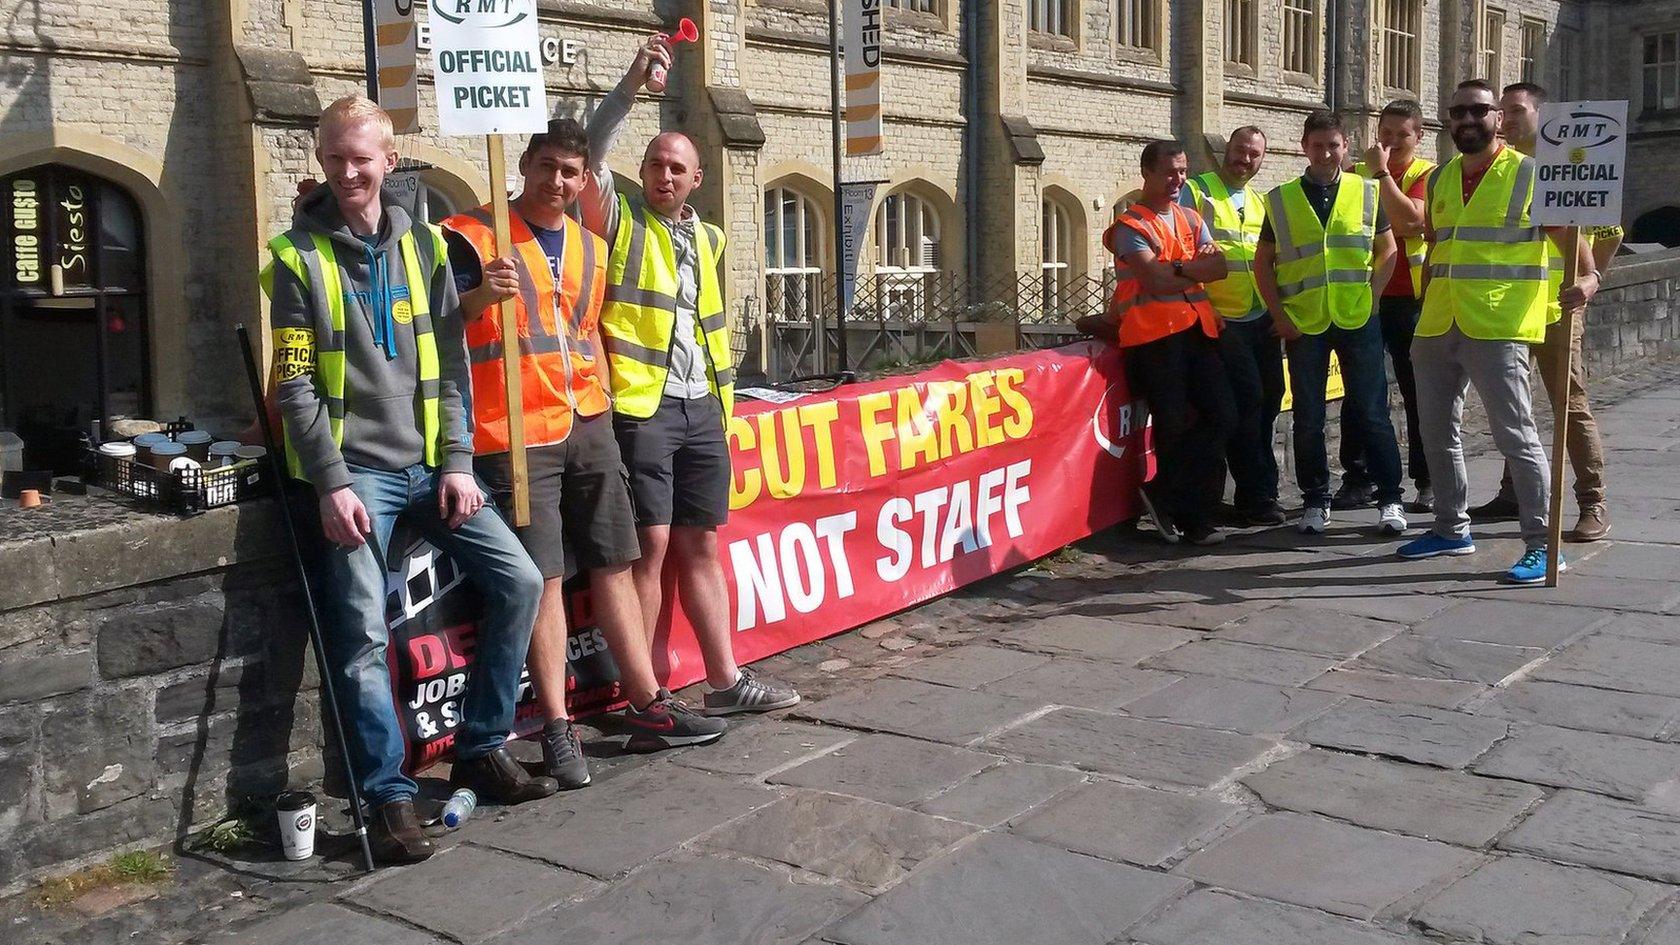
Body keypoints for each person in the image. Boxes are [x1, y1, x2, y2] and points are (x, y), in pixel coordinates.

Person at [265, 96, 555, 865]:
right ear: (322, 159)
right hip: (355, 476)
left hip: (430, 468)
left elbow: (451, 363)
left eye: (362, 157)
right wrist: (330, 482)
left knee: (522, 581)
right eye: (335, 157)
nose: (349, 170)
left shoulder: (428, 246)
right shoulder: (294, 256)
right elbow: (292, 383)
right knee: (359, 634)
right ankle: (388, 797)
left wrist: (457, 463)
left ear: (390, 160)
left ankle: (482, 745)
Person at [442, 120, 726, 783]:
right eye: (547, 168)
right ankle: (558, 727)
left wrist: (601, 406)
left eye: (571, 172)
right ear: (523, 165)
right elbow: (435, 320)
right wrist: (485, 291)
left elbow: (586, 331)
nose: (559, 182)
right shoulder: (471, 233)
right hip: (514, 430)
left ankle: (648, 703)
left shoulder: (590, 246)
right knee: (541, 577)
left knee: (617, 562)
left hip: (587, 420)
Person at [580, 36, 800, 714]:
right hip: (643, 409)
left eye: (677, 167)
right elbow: (587, 156)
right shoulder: (620, 220)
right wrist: (629, 88)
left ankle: (726, 683)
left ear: (696, 179)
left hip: (704, 406)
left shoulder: (707, 238)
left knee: (701, 543)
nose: (664, 176)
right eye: (654, 165)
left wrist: (720, 403)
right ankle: (642, 695)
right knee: (650, 547)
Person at [1397, 79, 1598, 584]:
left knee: (1517, 436)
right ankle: (1450, 527)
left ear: (1499, 119)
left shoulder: (1532, 174)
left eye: (1478, 111)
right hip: (1439, 321)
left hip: (1499, 321)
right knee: (1436, 432)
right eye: (1458, 111)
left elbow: (1569, 240)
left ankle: (1541, 545)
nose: (1468, 119)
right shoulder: (1441, 178)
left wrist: (1590, 279)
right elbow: (1437, 243)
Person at [1468, 81, 1614, 542]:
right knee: (1513, 404)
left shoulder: (1566, 167)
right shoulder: (1503, 169)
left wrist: (1590, 282)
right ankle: (1514, 492)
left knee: (1568, 403)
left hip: (1554, 307)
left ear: (1542, 114)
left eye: (1516, 110)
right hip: (1511, 306)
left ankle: (1594, 500)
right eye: (1502, 112)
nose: (1507, 120)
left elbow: (1608, 231)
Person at [1255, 110, 1407, 537]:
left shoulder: (1365, 190)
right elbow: (1263, 263)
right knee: (1308, 417)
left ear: (1345, 147)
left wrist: (1373, 298)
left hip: (1357, 317)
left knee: (1373, 411)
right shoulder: (1281, 198)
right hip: (1305, 322)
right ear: (1304, 147)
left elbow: (1388, 249)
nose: (1326, 153)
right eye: (1318, 145)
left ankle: (1390, 498)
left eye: (1334, 145)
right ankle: (1315, 500)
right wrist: (1279, 314)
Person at [1093, 140, 1235, 546]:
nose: (1178, 179)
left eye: (1183, 171)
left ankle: (1168, 495)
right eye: (1170, 172)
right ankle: (1192, 519)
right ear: (1148, 174)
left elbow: (1221, 267)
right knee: (1172, 425)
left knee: (1221, 414)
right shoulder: (1130, 227)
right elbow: (1155, 280)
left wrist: (1177, 267)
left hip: (1197, 331)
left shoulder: (1190, 218)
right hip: (1154, 339)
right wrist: (1192, 267)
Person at [1181, 127, 1287, 527]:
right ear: (1228, 150)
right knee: (1246, 402)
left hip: (1259, 317)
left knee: (1269, 398)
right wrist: (1202, 305)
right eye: (1241, 150)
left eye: (1255, 154)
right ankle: (1257, 497)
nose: (1246, 159)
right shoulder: (1198, 191)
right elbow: (1182, 251)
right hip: (1219, 318)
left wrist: (1277, 312)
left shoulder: (1262, 202)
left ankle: (1254, 494)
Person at [1338, 99, 1437, 513]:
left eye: (1402, 135)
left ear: (1418, 137)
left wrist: (1381, 175)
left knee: (1419, 394)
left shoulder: (1426, 174)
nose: (1393, 142)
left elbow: (1412, 221)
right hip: (1365, 296)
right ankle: (1357, 477)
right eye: (1387, 133)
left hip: (1409, 300)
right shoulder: (1354, 173)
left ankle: (1427, 480)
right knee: (1360, 391)